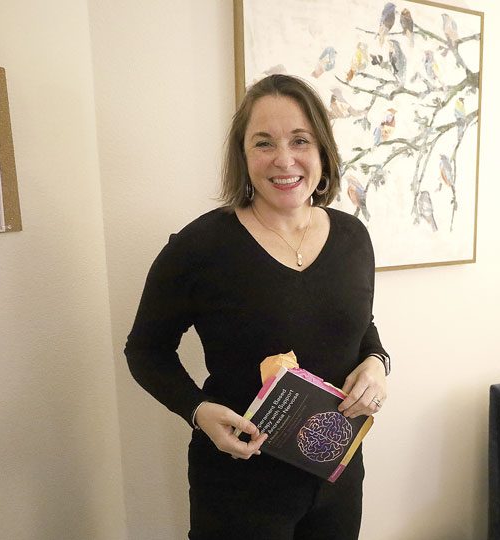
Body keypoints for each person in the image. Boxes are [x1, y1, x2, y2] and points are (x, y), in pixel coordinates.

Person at [124, 74, 390, 540]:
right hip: (239, 485)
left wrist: (377, 362)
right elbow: (145, 351)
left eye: (300, 140)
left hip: (337, 474)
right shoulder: (200, 247)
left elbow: (357, 324)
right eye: (264, 143)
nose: (284, 160)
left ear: (322, 150)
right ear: (243, 156)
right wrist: (197, 410)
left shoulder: (353, 237)